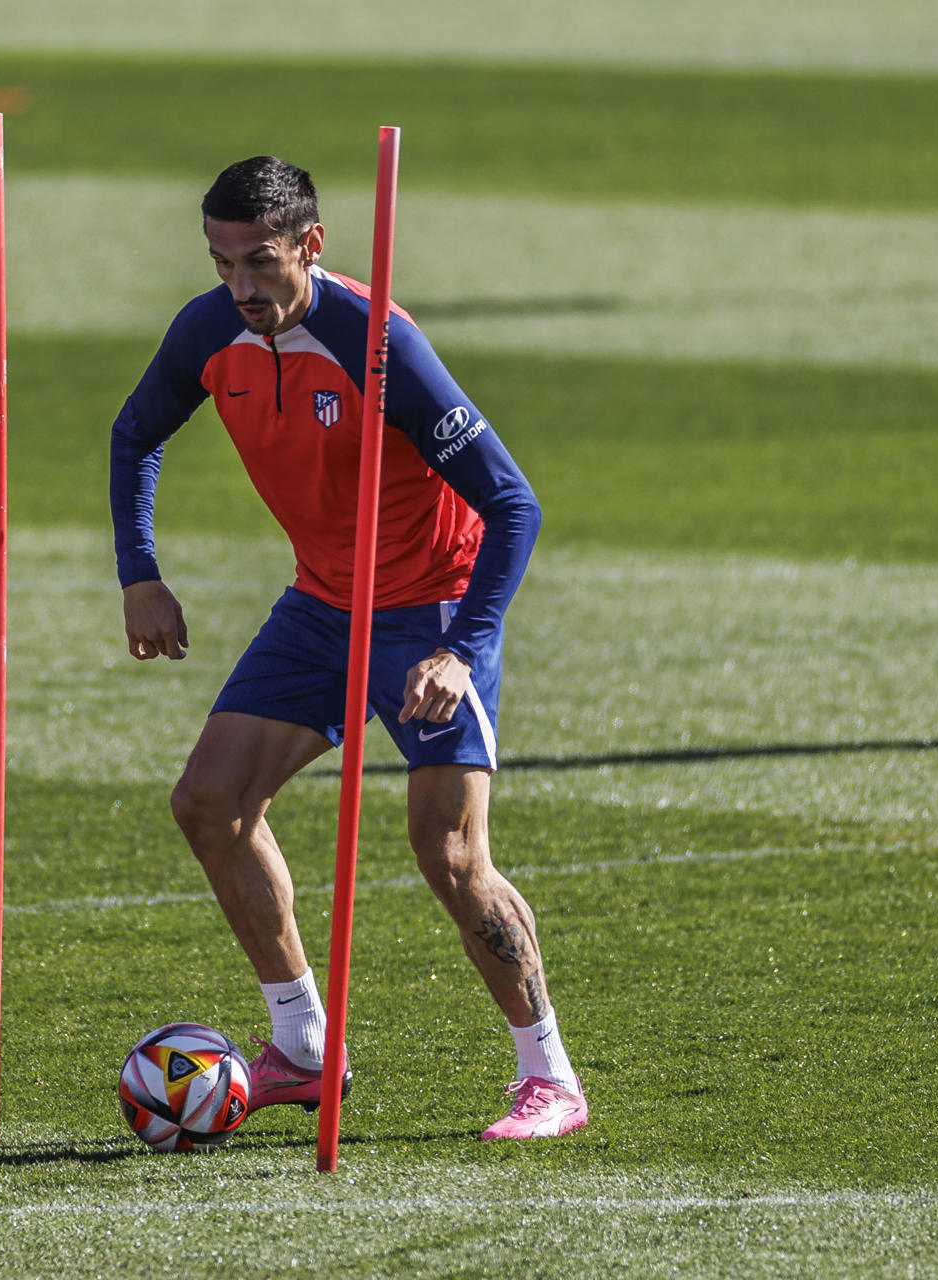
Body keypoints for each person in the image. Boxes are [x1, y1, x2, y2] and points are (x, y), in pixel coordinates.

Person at [109, 157, 587, 1141]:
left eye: (260, 261)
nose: (240, 286)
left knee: (448, 853)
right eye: (221, 262)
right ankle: (306, 1046)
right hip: (325, 605)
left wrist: (461, 648)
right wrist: (139, 571)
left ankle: (550, 1075)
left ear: (311, 246)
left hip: (431, 608)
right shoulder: (210, 330)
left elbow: (513, 502)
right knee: (209, 802)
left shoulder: (380, 346)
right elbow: (135, 430)